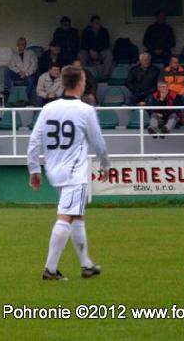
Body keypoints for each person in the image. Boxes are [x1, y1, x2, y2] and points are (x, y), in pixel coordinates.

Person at [27, 65, 111, 281]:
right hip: (75, 173)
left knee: (77, 216)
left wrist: (34, 169)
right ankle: (50, 269)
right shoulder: (85, 110)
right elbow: (98, 143)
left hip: (54, 171)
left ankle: (86, 265)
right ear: (81, 83)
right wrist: (105, 165)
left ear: (63, 84)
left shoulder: (48, 108)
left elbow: (34, 141)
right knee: (66, 217)